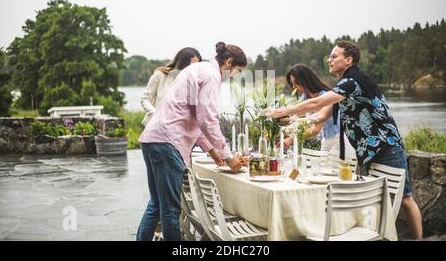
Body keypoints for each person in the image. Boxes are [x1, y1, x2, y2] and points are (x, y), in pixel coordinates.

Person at [266, 40, 423, 239]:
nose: (329, 60)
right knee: (375, 199)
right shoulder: (343, 85)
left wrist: (283, 111)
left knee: (405, 198)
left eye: (334, 56)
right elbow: (321, 115)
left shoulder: (353, 80)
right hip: (369, 150)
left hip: (387, 146)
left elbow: (318, 101)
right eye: (329, 56)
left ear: (348, 60)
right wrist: (289, 121)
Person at [136, 42, 247, 241]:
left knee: (156, 204)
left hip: (152, 138)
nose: (236, 75)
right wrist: (228, 157)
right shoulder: (212, 76)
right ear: (229, 62)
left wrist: (213, 151)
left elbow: (197, 118)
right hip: (168, 142)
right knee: (170, 210)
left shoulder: (197, 69)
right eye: (237, 70)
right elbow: (207, 119)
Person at [281, 64, 355, 158]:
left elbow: (315, 129)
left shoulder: (325, 97)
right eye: (292, 84)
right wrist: (282, 122)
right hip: (326, 138)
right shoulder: (306, 97)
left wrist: (292, 139)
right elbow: (298, 117)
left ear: (305, 81)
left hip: (340, 140)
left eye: (296, 83)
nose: (294, 87)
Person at [140, 47, 202, 127]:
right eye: (192, 64)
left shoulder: (192, 82)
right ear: (183, 62)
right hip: (155, 127)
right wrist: (156, 115)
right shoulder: (160, 75)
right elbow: (145, 100)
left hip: (177, 130)